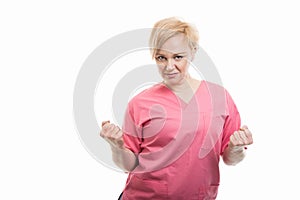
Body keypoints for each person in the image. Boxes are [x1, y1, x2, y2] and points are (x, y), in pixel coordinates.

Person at [100, 17, 253, 200]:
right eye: (161, 58)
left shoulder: (219, 98)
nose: (169, 66)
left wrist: (236, 148)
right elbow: (129, 165)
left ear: (193, 52)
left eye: (178, 57)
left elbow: (230, 159)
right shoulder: (140, 103)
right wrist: (117, 147)